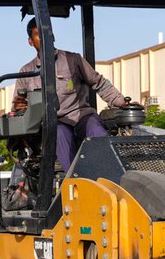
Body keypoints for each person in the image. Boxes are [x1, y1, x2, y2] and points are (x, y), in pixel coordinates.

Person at [13, 17, 128, 172]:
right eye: (39, 34)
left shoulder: (73, 60)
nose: (45, 37)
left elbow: (99, 83)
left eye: (48, 33)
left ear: (53, 36)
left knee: (96, 130)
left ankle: (111, 175)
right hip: (53, 122)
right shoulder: (26, 72)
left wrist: (121, 102)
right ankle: (75, 181)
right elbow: (18, 107)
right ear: (30, 41)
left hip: (81, 116)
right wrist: (19, 107)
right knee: (60, 134)